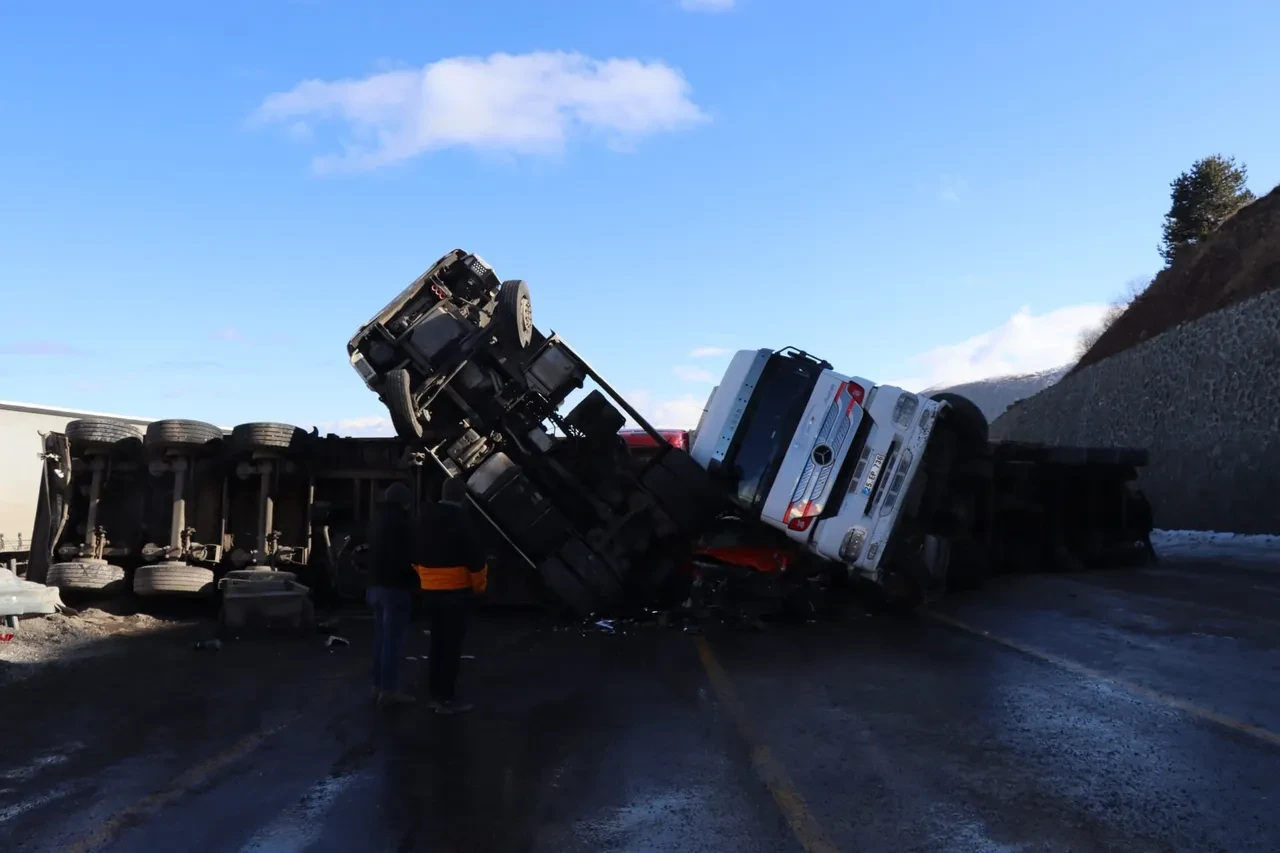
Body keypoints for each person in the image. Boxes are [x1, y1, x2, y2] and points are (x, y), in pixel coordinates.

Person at [412, 476, 488, 715]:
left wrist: (425, 578)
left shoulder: (424, 518)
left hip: (430, 593)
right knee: (451, 647)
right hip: (455, 593)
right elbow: (476, 560)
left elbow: (414, 555)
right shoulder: (463, 520)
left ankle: (434, 695)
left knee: (436, 645)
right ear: (462, 497)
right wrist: (479, 588)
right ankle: (446, 698)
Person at [366, 481, 418, 707]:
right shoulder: (402, 523)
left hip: (374, 587)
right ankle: (389, 690)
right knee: (393, 641)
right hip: (394, 588)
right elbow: (406, 558)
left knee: (380, 639)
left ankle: (377, 686)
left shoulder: (377, 520)